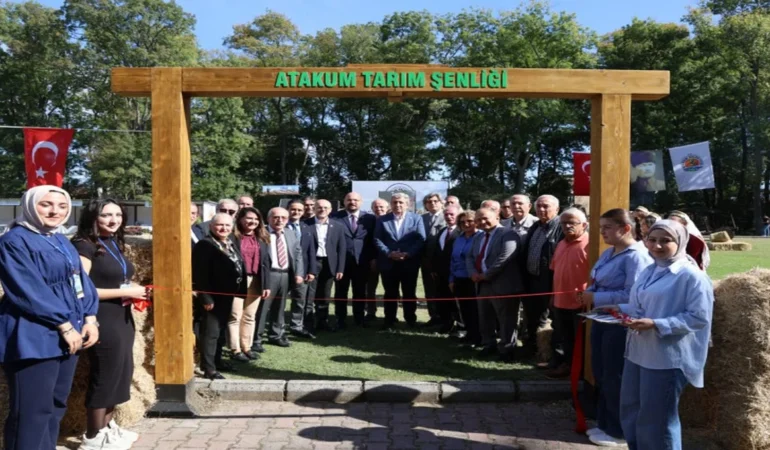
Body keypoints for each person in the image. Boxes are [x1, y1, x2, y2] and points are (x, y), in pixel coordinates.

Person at [0, 186, 99, 450]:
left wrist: (90, 317)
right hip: (34, 335)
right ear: (31, 205)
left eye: (62, 206)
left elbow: (80, 280)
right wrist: (64, 324)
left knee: (55, 406)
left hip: (68, 334)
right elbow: (28, 290)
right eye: (46, 205)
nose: (55, 211)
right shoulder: (14, 241)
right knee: (32, 412)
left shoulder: (60, 239)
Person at [607, 220, 713, 450]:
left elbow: (698, 318)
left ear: (680, 242)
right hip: (638, 351)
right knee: (631, 410)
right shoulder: (650, 269)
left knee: (657, 421)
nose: (656, 246)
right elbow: (642, 305)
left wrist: (657, 324)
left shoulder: (691, 276)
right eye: (652, 240)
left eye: (666, 241)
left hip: (666, 357)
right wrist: (619, 310)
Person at [71, 199, 150, 449]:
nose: (114, 220)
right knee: (105, 374)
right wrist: (126, 292)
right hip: (101, 317)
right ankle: (93, 436)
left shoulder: (112, 242)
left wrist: (132, 292)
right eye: (106, 215)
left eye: (118, 214)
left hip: (122, 316)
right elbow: (81, 290)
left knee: (120, 372)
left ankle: (107, 427)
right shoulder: (83, 246)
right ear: (93, 217)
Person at [578, 208, 652, 447]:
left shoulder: (636, 256)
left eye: (607, 228)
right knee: (601, 372)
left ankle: (620, 431)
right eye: (600, 228)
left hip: (620, 325)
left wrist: (595, 298)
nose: (602, 232)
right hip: (602, 320)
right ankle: (605, 423)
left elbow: (633, 295)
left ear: (626, 228)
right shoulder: (609, 253)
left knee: (615, 376)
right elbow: (599, 281)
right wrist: (590, 294)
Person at [192, 213, 246, 380]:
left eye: (227, 226)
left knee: (221, 330)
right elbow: (199, 274)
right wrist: (206, 298)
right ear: (211, 226)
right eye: (219, 225)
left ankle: (217, 361)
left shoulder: (229, 242)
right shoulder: (205, 245)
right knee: (211, 333)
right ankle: (209, 368)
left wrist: (241, 290)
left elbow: (239, 265)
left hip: (227, 295)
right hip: (213, 297)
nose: (224, 228)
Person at [467, 208, 524, 360]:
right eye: (478, 220)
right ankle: (488, 344)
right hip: (482, 285)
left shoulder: (508, 234)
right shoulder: (478, 236)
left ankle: (507, 350)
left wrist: (486, 275)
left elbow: (505, 257)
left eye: (485, 218)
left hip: (503, 285)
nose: (481, 222)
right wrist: (473, 273)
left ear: (497, 217)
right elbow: (470, 257)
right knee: (485, 317)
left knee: (506, 320)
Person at [545, 208, 589, 379]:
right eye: (564, 223)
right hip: (560, 301)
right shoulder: (562, 243)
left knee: (580, 340)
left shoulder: (590, 243)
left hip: (580, 303)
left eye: (572, 223)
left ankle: (581, 370)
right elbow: (555, 271)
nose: (567, 226)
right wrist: (553, 295)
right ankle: (568, 366)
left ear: (584, 225)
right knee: (564, 337)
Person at [253, 207, 305, 351]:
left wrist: (299, 273)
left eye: (283, 217)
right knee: (262, 308)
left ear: (287, 220)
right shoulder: (260, 233)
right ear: (268, 219)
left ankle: (276, 335)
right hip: (268, 275)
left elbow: (298, 254)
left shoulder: (291, 233)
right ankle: (256, 339)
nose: (279, 220)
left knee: (280, 307)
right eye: (276, 217)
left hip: (286, 274)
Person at [374, 193, 426, 329]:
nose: (398, 205)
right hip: (388, 262)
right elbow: (377, 239)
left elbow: (420, 239)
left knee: (409, 292)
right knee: (390, 293)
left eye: (401, 202)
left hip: (409, 262)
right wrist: (389, 253)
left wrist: (408, 254)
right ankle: (389, 320)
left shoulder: (416, 218)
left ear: (407, 204)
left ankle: (410, 320)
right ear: (391, 204)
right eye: (395, 202)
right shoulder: (382, 220)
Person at [522, 195, 563, 359]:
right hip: (532, 280)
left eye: (546, 206)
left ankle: (553, 355)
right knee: (532, 317)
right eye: (539, 206)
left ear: (557, 209)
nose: (541, 210)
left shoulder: (561, 228)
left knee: (554, 320)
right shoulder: (536, 227)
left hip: (551, 283)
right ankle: (533, 349)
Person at [230, 207, 270, 362]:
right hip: (237, 281)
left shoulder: (263, 238)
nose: (252, 222)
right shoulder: (232, 237)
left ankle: (247, 347)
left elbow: (266, 262)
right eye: (249, 218)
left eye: (256, 219)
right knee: (235, 316)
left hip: (256, 281)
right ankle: (235, 349)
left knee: (249, 316)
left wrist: (266, 285)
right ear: (240, 219)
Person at [332, 192, 376, 327]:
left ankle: (359, 318)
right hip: (341, 262)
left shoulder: (370, 218)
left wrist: (373, 258)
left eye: (355, 200)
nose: (352, 202)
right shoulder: (334, 217)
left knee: (360, 291)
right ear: (344, 201)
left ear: (361, 202)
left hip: (362, 261)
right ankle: (340, 318)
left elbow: (373, 240)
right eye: (349, 200)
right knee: (340, 291)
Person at [304, 200, 346, 331]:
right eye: (319, 207)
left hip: (329, 264)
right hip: (312, 262)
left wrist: (340, 268)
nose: (322, 209)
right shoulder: (305, 224)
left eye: (325, 207)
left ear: (330, 210)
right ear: (314, 209)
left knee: (325, 295)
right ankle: (308, 323)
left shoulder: (338, 226)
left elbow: (342, 248)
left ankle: (322, 322)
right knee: (309, 295)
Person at [285, 200, 316, 338]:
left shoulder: (307, 228)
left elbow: (311, 252)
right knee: (279, 301)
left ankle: (296, 326)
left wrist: (311, 270)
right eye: (293, 209)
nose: (296, 212)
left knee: (299, 300)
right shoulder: (279, 224)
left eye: (299, 210)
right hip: (282, 269)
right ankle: (277, 325)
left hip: (301, 270)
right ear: (287, 209)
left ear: (303, 212)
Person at [449, 210, 481, 347]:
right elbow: (453, 260)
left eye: (469, 221)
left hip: (473, 279)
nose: (466, 224)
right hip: (458, 279)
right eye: (462, 222)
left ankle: (478, 337)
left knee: (476, 310)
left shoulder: (480, 237)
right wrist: (451, 279)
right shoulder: (458, 238)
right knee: (464, 309)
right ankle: (469, 334)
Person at [431, 205, 462, 334]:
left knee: (457, 302)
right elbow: (437, 251)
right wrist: (434, 269)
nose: (449, 217)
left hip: (456, 273)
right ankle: (446, 324)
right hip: (441, 273)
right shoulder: (443, 231)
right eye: (446, 215)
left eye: (452, 214)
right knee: (443, 300)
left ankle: (461, 326)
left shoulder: (462, 231)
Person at [421, 193, 446, 327]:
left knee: (442, 290)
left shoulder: (448, 216)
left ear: (442, 203)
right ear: (425, 205)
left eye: (436, 201)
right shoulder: (422, 218)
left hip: (442, 261)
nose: (433, 203)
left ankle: (445, 318)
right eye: (429, 202)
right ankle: (433, 316)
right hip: (426, 260)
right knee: (429, 290)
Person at [366, 198, 390, 320]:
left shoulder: (392, 220)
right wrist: (373, 258)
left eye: (381, 207)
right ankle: (370, 312)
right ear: (372, 208)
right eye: (376, 207)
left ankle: (389, 314)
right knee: (370, 289)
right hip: (371, 261)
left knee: (390, 289)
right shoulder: (368, 221)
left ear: (387, 208)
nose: (379, 209)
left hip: (389, 260)